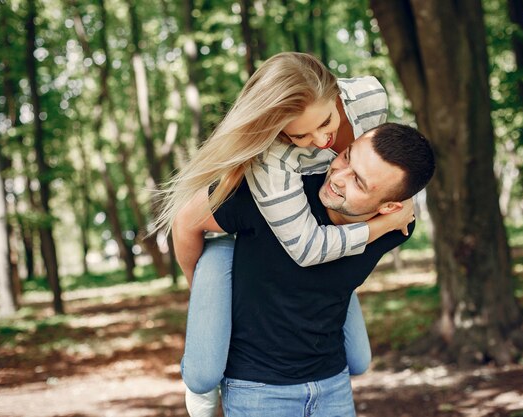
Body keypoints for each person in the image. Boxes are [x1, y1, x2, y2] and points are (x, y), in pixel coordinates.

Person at [157, 52, 411, 416]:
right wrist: (202, 295)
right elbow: (307, 250)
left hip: (318, 249)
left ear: (337, 93)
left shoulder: (371, 99)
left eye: (325, 122)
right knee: (204, 370)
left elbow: (392, 163)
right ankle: (201, 385)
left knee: (359, 358)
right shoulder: (271, 166)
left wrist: (400, 198)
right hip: (242, 238)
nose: (321, 139)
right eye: (299, 135)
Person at [173, 124, 435, 416]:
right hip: (257, 386)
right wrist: (202, 298)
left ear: (389, 207)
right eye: (347, 157)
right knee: (219, 254)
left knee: (360, 359)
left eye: (359, 183)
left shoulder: (398, 227)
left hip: (332, 382)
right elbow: (185, 220)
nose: (337, 176)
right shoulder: (275, 197)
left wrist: (383, 224)